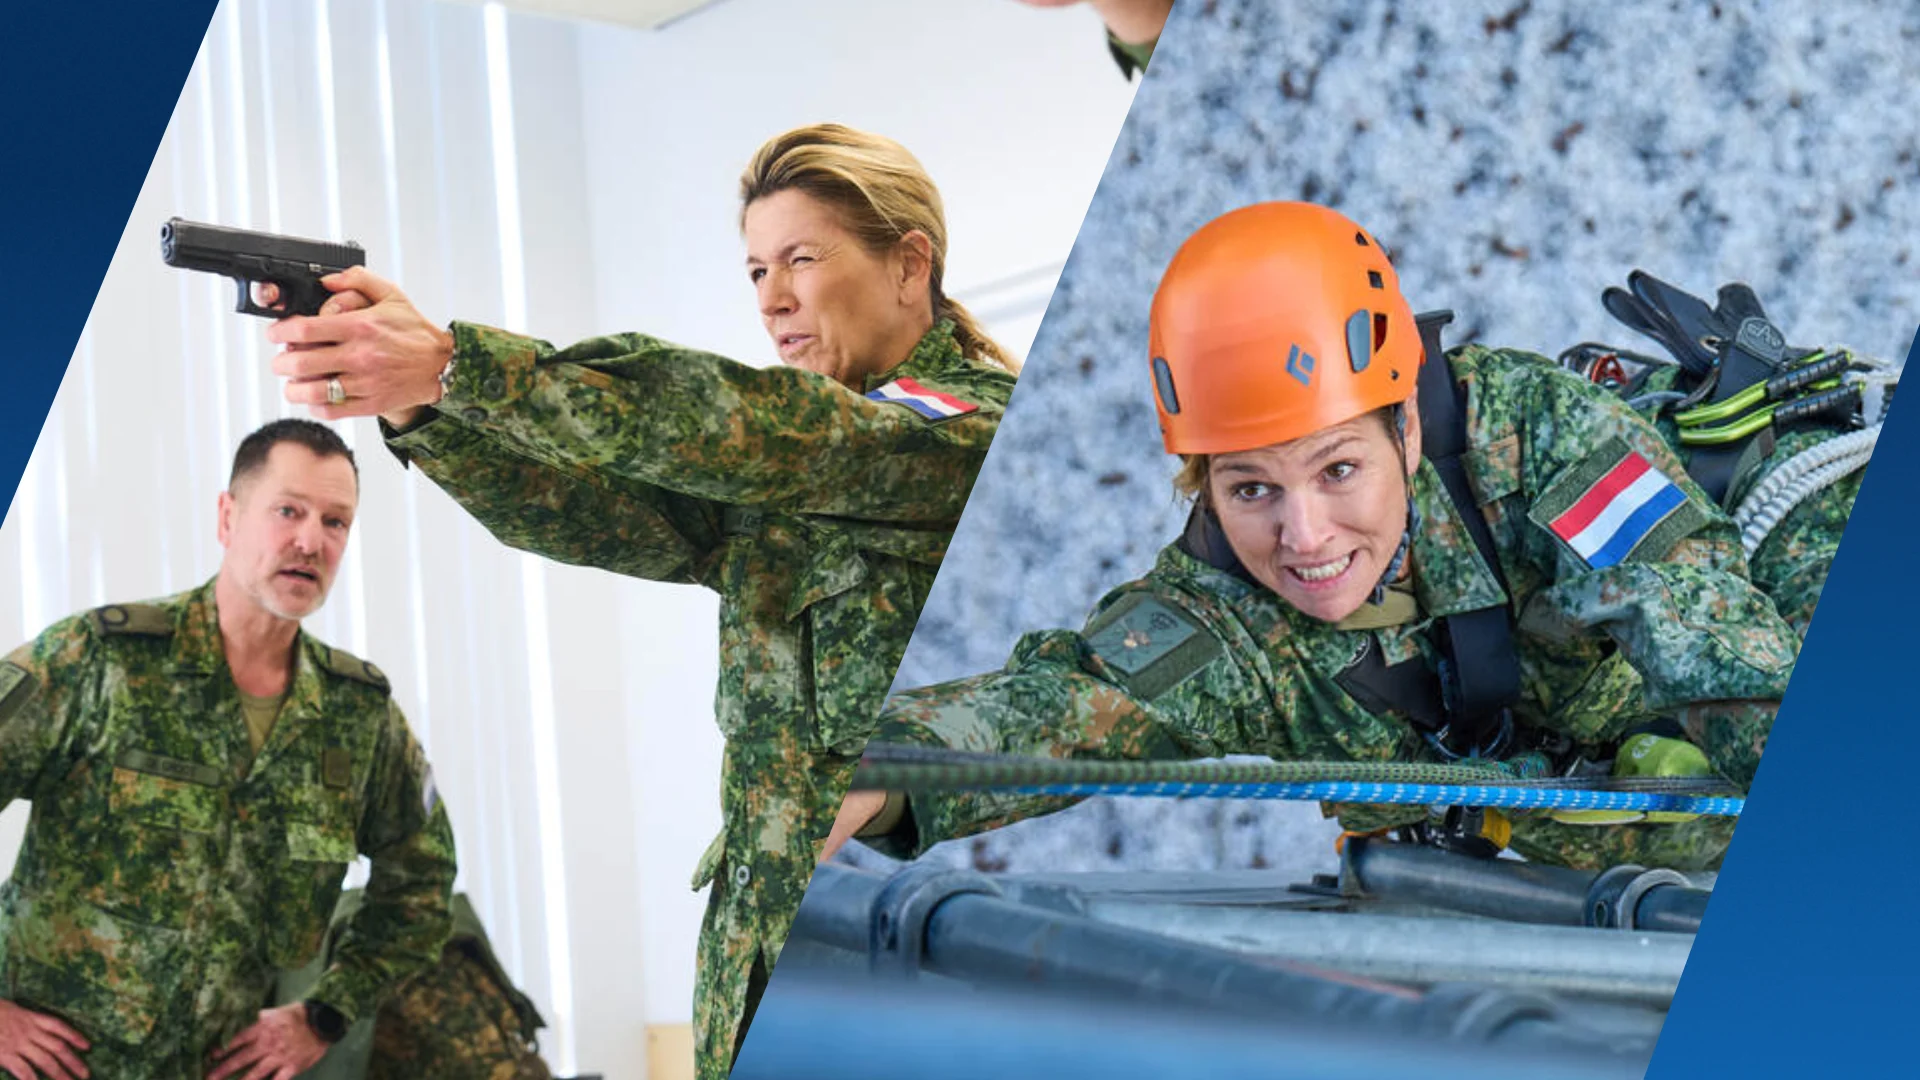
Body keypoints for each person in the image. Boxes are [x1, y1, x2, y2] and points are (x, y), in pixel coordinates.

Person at [262, 124, 1019, 1079]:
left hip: (919, 967)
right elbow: (586, 510)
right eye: (753, 271)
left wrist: (462, 364)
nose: (772, 298)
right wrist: (423, 407)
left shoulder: (969, 430)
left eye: (800, 260)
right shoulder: (792, 475)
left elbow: (772, 434)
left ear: (910, 264)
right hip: (768, 965)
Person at [831, 201, 1801, 873]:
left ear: (1407, 429)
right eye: (1250, 488)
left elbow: (1695, 620)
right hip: (1541, 853)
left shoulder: (1547, 442)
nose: (1303, 539)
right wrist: (867, 773)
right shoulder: (1226, 620)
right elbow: (1063, 705)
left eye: (1338, 470)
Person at [0, 419, 457, 1080]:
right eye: (288, 511)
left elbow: (422, 883)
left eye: (335, 522)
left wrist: (325, 1014)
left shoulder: (357, 717)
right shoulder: (99, 661)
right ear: (228, 516)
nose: (310, 540)